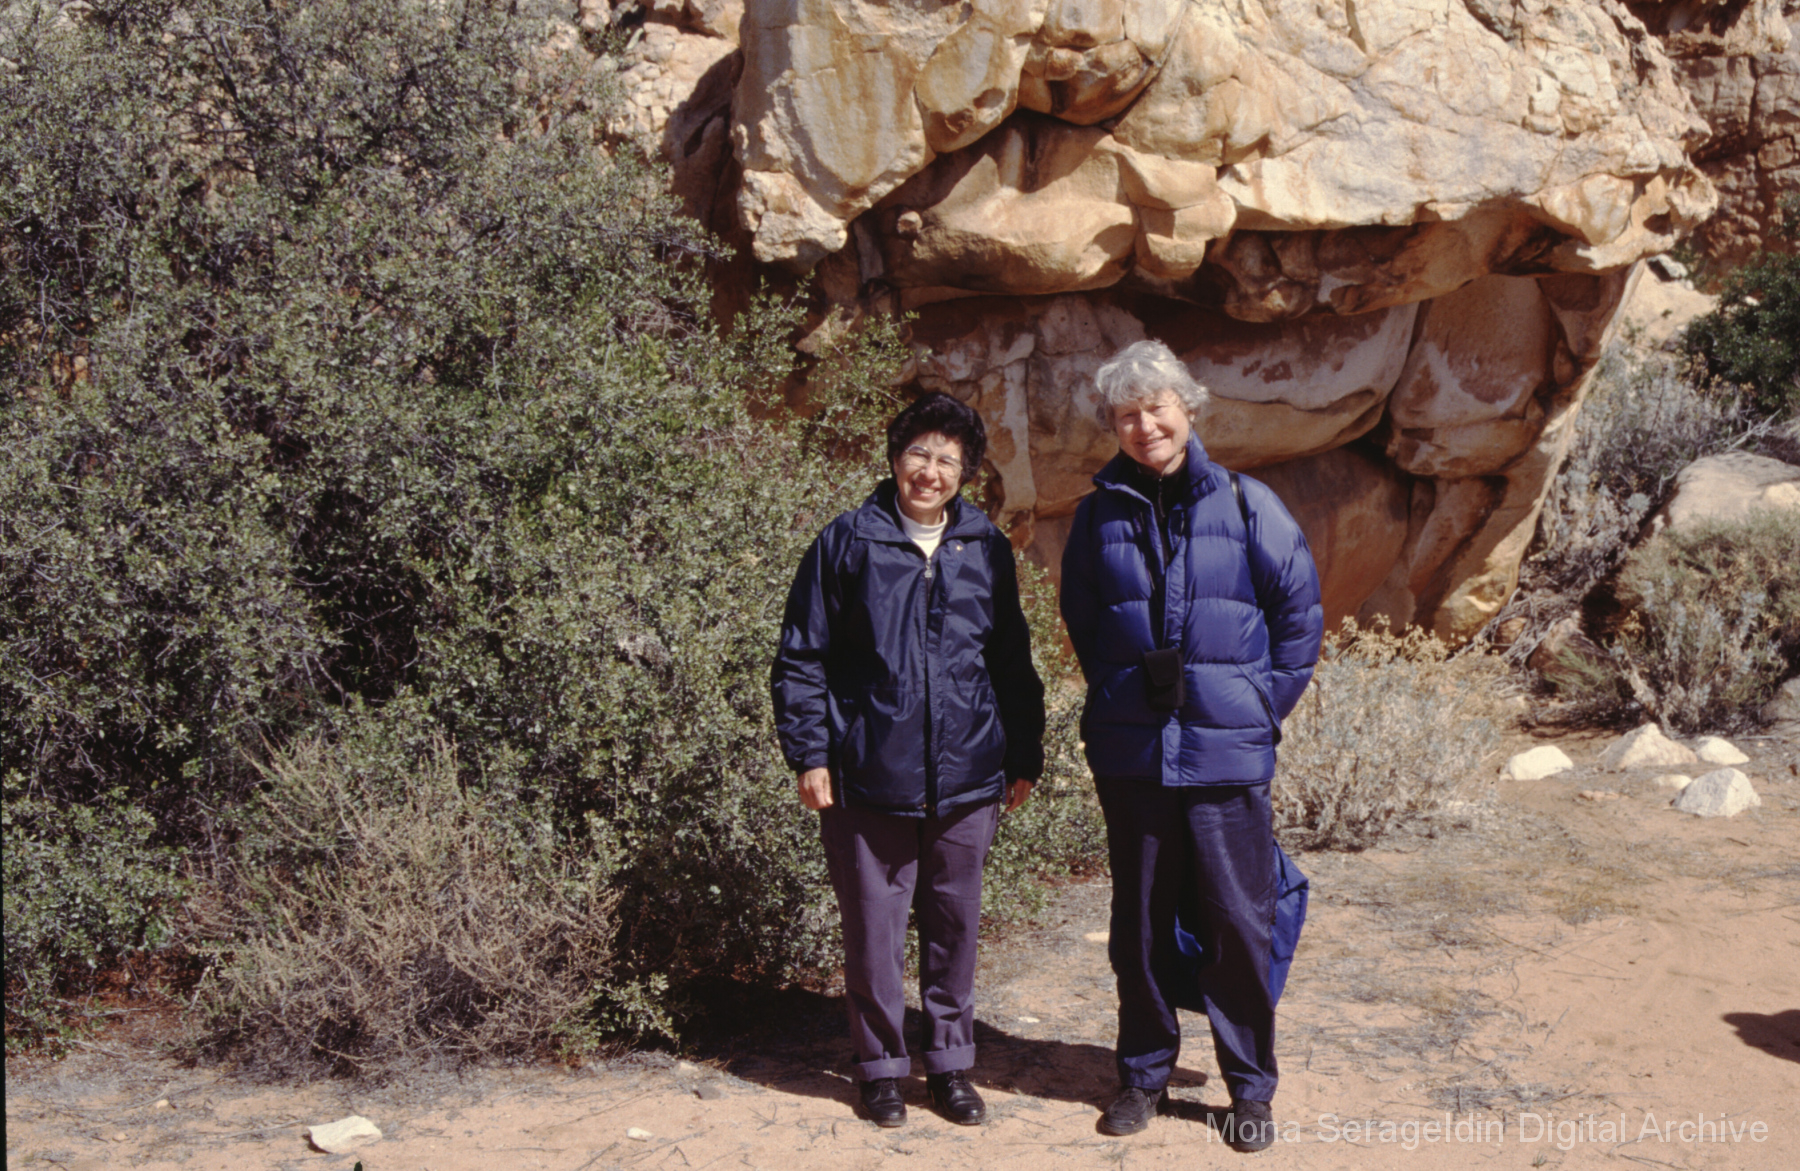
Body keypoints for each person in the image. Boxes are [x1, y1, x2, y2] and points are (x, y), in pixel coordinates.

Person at [1058, 339, 1323, 1152]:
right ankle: (1143, 1074)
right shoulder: (1097, 515)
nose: (1145, 426)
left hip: (1226, 755)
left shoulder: (1247, 503)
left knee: (1238, 923)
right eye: (1127, 414)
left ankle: (1250, 1087)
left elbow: (1299, 617)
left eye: (1157, 407)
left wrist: (1257, 709)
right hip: (1134, 755)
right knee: (1137, 925)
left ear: (1188, 407)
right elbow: (1085, 622)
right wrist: (1120, 695)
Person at [771, 392, 1046, 1129]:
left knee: (955, 927)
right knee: (874, 931)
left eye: (947, 460)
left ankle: (950, 1066)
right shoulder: (847, 541)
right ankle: (881, 1071)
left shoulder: (984, 547)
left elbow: (1011, 660)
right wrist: (810, 753)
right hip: (869, 775)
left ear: (966, 472)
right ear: (895, 458)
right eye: (919, 453)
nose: (930, 471)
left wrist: (1024, 752)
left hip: (968, 777)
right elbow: (801, 657)